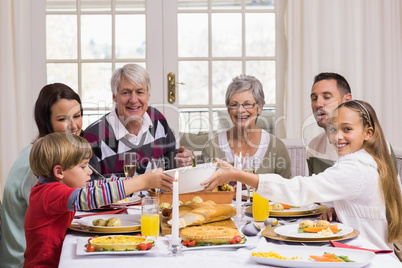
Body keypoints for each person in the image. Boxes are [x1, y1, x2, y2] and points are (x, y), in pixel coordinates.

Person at [203, 100, 402, 258]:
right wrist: (340, 208)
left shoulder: (354, 168)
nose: (337, 137)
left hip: (370, 257)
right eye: (333, 129)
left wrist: (237, 174)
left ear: (368, 133)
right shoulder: (369, 161)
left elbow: (299, 190)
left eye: (347, 129)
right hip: (376, 253)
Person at [24, 132, 173, 267]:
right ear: (59, 171)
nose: (90, 171)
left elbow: (97, 186)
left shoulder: (52, 188)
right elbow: (92, 196)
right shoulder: (50, 193)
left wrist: (137, 181)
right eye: (83, 167)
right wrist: (142, 182)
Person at [0, 83, 84, 268]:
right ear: (46, 122)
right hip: (26, 262)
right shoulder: (38, 162)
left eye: (77, 116)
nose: (74, 125)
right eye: (63, 119)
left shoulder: (44, 152)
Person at [84, 64, 191, 179]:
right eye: (126, 92)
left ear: (148, 96)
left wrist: (181, 159)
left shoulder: (157, 119)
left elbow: (169, 162)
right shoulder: (93, 136)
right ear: (114, 96)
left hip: (159, 196)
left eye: (140, 92)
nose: (133, 100)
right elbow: (91, 189)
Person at [307, 72, 398, 177]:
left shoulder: (376, 145)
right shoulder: (313, 147)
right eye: (314, 98)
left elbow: (391, 191)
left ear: (347, 100)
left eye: (326, 97)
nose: (318, 104)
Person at [202, 74, 291, 177]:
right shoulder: (212, 148)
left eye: (247, 104)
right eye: (234, 104)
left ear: (260, 108)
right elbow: (204, 190)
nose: (240, 110)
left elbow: (285, 189)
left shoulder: (278, 148)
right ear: (228, 109)